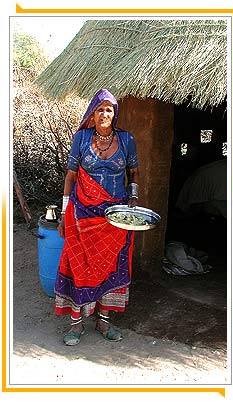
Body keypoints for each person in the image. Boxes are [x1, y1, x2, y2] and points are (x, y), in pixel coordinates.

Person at [56, 88, 139, 346]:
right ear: (93, 113)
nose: (105, 113)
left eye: (110, 109)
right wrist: (63, 212)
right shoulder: (81, 138)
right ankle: (76, 324)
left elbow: (134, 173)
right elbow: (70, 177)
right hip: (81, 214)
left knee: (111, 266)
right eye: (101, 109)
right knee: (78, 265)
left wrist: (133, 198)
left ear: (114, 114)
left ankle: (104, 320)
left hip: (115, 217)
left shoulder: (126, 140)